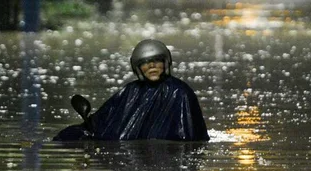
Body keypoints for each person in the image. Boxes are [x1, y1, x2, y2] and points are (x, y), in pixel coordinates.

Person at [54, 39, 209, 141]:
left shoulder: (180, 93)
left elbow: (190, 136)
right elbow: (103, 123)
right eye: (146, 63)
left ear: (165, 62)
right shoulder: (131, 92)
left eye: (156, 61)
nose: (152, 66)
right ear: (137, 67)